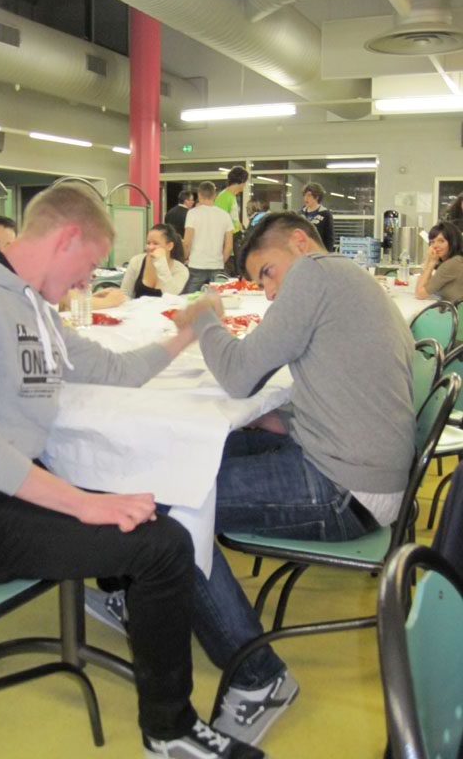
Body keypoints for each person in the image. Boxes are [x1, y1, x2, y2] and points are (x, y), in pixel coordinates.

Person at [0, 184, 262, 759]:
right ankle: (169, 730)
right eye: (88, 265)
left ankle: (131, 616)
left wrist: (186, 335)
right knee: (161, 546)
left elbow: (113, 370)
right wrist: (84, 503)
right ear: (66, 238)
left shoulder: (34, 308)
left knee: (153, 507)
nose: (86, 281)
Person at [170, 211, 413, 746]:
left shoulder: (314, 274)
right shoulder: (348, 278)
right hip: (365, 468)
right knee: (193, 455)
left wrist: (205, 317)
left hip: (344, 487)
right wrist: (282, 420)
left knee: (175, 508)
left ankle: (260, 678)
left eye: (268, 273)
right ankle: (147, 589)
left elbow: (238, 375)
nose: (269, 292)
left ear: (300, 243)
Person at [183, 181, 234, 293]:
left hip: (196, 265)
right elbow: (229, 246)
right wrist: (220, 261)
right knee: (217, 300)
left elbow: (187, 242)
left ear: (199, 195)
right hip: (217, 266)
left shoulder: (192, 213)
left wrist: (185, 257)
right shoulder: (225, 215)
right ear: (215, 195)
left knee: (191, 300)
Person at [121, 223, 188, 299]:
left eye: (155, 243)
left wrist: (161, 261)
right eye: (148, 243)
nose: (150, 247)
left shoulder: (181, 270)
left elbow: (171, 295)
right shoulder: (136, 261)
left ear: (169, 246)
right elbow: (125, 293)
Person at [415, 220, 463, 304]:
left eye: (441, 241)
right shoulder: (457, 260)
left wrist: (431, 263)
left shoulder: (451, 264)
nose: (435, 245)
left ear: (453, 242)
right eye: (432, 242)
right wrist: (428, 259)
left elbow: (420, 294)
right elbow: (425, 285)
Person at [301, 182, 334, 252]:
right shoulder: (300, 214)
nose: (305, 198)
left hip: (318, 253)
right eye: (304, 195)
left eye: (309, 195)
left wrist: (327, 254)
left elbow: (329, 239)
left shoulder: (325, 214)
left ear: (317, 197)